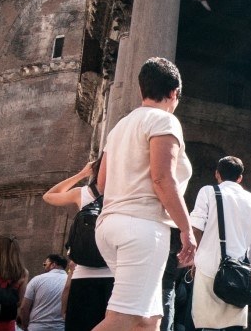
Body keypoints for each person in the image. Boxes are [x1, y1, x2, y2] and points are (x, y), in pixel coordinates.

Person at [94, 57, 196, 331]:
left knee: (149, 319)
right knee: (122, 319)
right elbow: (163, 179)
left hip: (109, 226)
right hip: (142, 228)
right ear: (174, 92)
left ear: (142, 90)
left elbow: (101, 184)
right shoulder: (165, 121)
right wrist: (187, 229)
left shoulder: (118, 128)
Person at [189, 156, 251, 331]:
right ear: (240, 178)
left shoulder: (208, 192)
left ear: (217, 174)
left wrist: (194, 257)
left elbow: (196, 229)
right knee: (234, 326)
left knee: (206, 325)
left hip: (209, 267)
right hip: (239, 271)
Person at [42, 159, 114, 331]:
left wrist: (82, 174)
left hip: (83, 275)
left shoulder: (83, 193)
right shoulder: (125, 193)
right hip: (114, 275)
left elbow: (49, 196)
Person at [20, 254, 69, 331]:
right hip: (61, 328)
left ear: (53, 265)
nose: (44, 266)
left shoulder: (37, 280)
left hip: (36, 327)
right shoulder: (71, 282)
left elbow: (24, 308)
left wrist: (25, 327)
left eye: (45, 264)